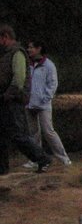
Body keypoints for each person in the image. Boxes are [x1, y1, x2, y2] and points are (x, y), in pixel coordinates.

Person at [0, 24, 51, 174]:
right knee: (1, 135)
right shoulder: (5, 55)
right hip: (4, 100)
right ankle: (2, 168)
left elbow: (19, 79)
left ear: (5, 37)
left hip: (12, 101)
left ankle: (42, 158)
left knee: (17, 135)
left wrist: (7, 95)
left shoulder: (17, 54)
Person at [23, 39, 71, 167]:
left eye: (31, 47)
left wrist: (45, 98)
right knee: (33, 133)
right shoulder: (28, 64)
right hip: (29, 103)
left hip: (43, 105)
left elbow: (53, 84)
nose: (29, 50)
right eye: (28, 47)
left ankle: (63, 158)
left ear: (39, 49)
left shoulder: (49, 65)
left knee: (48, 131)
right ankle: (35, 159)